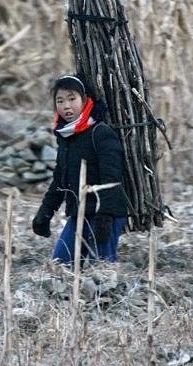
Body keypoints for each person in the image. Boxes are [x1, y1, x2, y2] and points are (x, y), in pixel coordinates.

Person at [31, 75, 128, 264]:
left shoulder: (101, 133)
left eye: (72, 99)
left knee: (100, 271)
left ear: (85, 100)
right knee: (61, 264)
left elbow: (112, 178)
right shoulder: (66, 137)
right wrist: (45, 212)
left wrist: (105, 216)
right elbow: (60, 179)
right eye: (60, 101)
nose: (66, 106)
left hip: (105, 214)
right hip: (79, 214)